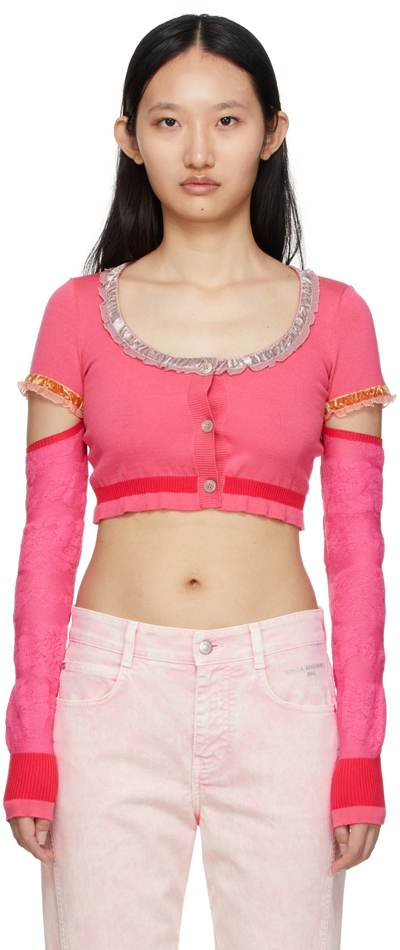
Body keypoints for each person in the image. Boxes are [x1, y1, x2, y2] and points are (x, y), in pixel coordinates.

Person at [3, 13, 396, 950]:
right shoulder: (75, 313)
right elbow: (47, 540)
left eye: (227, 119)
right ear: (129, 138)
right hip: (108, 693)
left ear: (273, 131)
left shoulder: (340, 317)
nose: (199, 151)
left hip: (283, 697)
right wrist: (30, 741)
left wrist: (360, 749)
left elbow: (357, 549)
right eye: (168, 121)